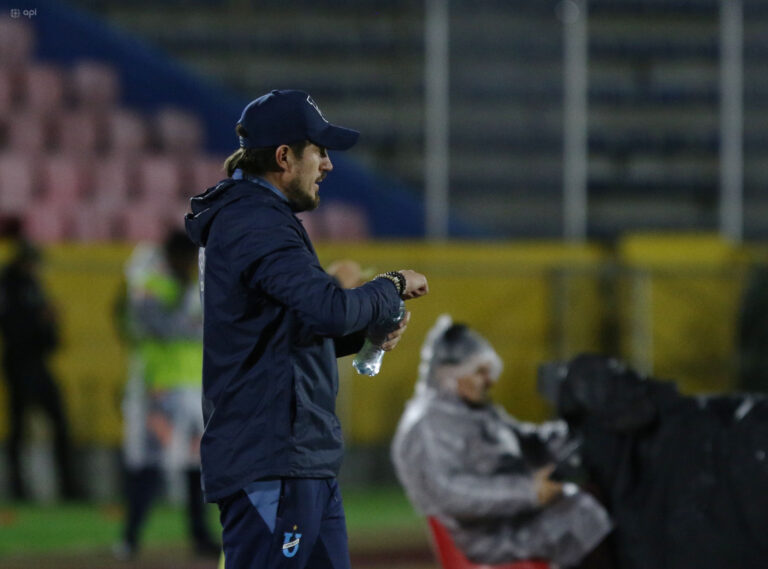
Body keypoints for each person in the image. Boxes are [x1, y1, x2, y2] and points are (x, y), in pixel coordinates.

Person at [183, 89, 429, 569]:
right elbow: (331, 309)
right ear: (283, 157)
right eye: (319, 151)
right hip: (272, 456)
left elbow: (294, 333)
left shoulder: (260, 219)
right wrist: (391, 286)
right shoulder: (255, 222)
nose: (329, 165)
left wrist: (366, 334)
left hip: (297, 458)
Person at [391, 316, 612, 568]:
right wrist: (529, 491)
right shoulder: (427, 423)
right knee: (584, 515)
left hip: (508, 519)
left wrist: (575, 435)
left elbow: (525, 440)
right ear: (448, 375)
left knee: (593, 500)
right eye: (479, 372)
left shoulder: (470, 409)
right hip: (485, 537)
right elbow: (450, 492)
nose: (490, 380)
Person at [113, 228, 218, 560]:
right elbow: (163, 329)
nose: (190, 265)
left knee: (196, 466)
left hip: (195, 389)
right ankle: (130, 538)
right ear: (172, 258)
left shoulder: (198, 288)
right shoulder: (152, 288)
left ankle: (200, 535)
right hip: (161, 389)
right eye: (186, 259)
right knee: (149, 464)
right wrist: (188, 306)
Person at [0, 236, 77, 501]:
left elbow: (48, 335)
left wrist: (49, 326)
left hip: (36, 362)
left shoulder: (31, 284)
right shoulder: (9, 286)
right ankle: (19, 489)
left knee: (55, 423)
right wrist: (39, 320)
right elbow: (12, 326)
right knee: (20, 427)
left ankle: (67, 486)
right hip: (19, 362)